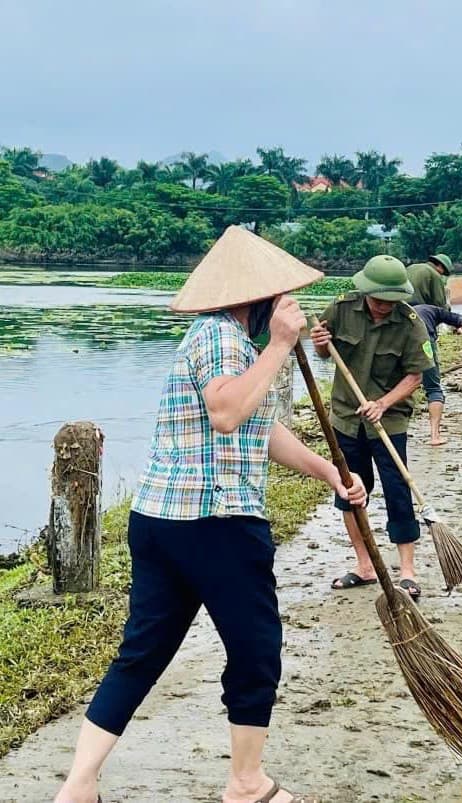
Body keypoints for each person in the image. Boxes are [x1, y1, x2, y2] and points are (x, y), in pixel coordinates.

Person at [53, 226, 366, 803]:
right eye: (282, 297)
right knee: (256, 650)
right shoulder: (227, 341)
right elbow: (227, 412)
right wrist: (277, 346)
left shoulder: (214, 339)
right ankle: (247, 784)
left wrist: (329, 473)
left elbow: (256, 425)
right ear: (261, 298)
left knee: (142, 652)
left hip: (159, 521)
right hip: (216, 522)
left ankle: (79, 785)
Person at [310, 255, 434, 598]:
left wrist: (383, 403)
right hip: (346, 418)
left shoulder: (410, 324)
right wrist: (320, 344)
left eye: (389, 302)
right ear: (364, 291)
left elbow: (415, 376)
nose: (382, 307)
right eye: (378, 300)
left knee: (397, 489)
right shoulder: (340, 308)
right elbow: (323, 354)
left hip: (389, 419)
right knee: (350, 491)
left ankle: (407, 571)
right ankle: (364, 565)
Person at [413, 303, 462, 445]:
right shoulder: (438, 311)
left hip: (397, 343)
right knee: (433, 389)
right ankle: (435, 437)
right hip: (424, 343)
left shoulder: (411, 309)